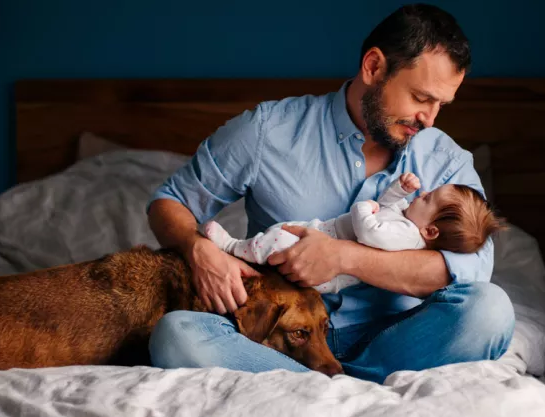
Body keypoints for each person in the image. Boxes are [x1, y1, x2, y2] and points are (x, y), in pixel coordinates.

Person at [146, 3, 515, 384]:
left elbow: (469, 271)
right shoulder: (266, 131)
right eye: (421, 98)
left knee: (490, 311)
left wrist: (343, 257)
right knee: (177, 336)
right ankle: (334, 388)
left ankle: (309, 387)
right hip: (276, 339)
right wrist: (198, 250)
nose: (431, 119)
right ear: (373, 67)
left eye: (441, 104)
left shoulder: (446, 161)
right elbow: (169, 202)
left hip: (395, 339)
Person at [200, 172, 506, 294]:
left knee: (277, 242)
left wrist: (364, 207)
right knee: (278, 235)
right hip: (321, 234)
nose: (421, 193)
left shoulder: (405, 236)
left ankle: (231, 246)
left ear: (430, 230)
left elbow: (370, 231)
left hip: (328, 270)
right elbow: (388, 207)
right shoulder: (408, 222)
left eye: (427, 198)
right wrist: (398, 190)